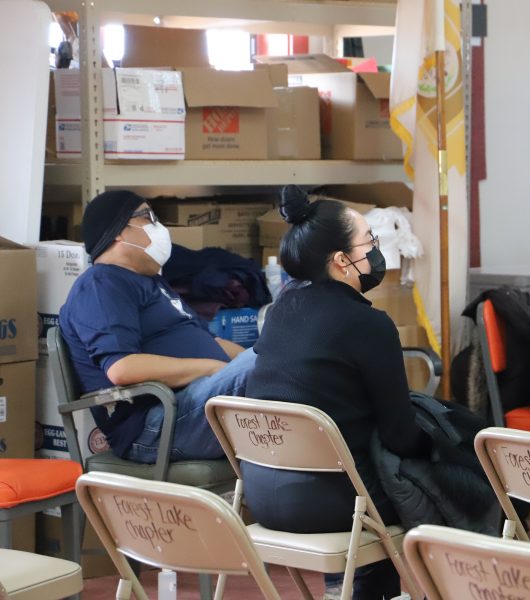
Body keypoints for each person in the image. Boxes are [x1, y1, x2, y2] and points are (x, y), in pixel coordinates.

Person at [244, 185, 431, 600]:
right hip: (335, 502)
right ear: (342, 261)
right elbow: (401, 435)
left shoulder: (278, 313)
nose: (378, 251)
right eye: (371, 241)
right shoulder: (370, 325)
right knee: (442, 479)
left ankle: (344, 590)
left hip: (262, 493)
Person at [59, 190, 257, 463]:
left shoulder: (153, 283)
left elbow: (211, 343)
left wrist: (261, 356)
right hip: (158, 423)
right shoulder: (101, 284)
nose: (159, 227)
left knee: (287, 359)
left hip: (196, 404)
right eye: (148, 217)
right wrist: (213, 369)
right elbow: (122, 369)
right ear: (118, 231)